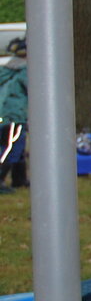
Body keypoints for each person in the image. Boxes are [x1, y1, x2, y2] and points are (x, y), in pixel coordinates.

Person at [0, 37, 27, 192]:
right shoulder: (26, 71)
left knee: (18, 146)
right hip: (14, 115)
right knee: (10, 148)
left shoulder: (6, 69)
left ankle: (19, 179)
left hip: (4, 114)